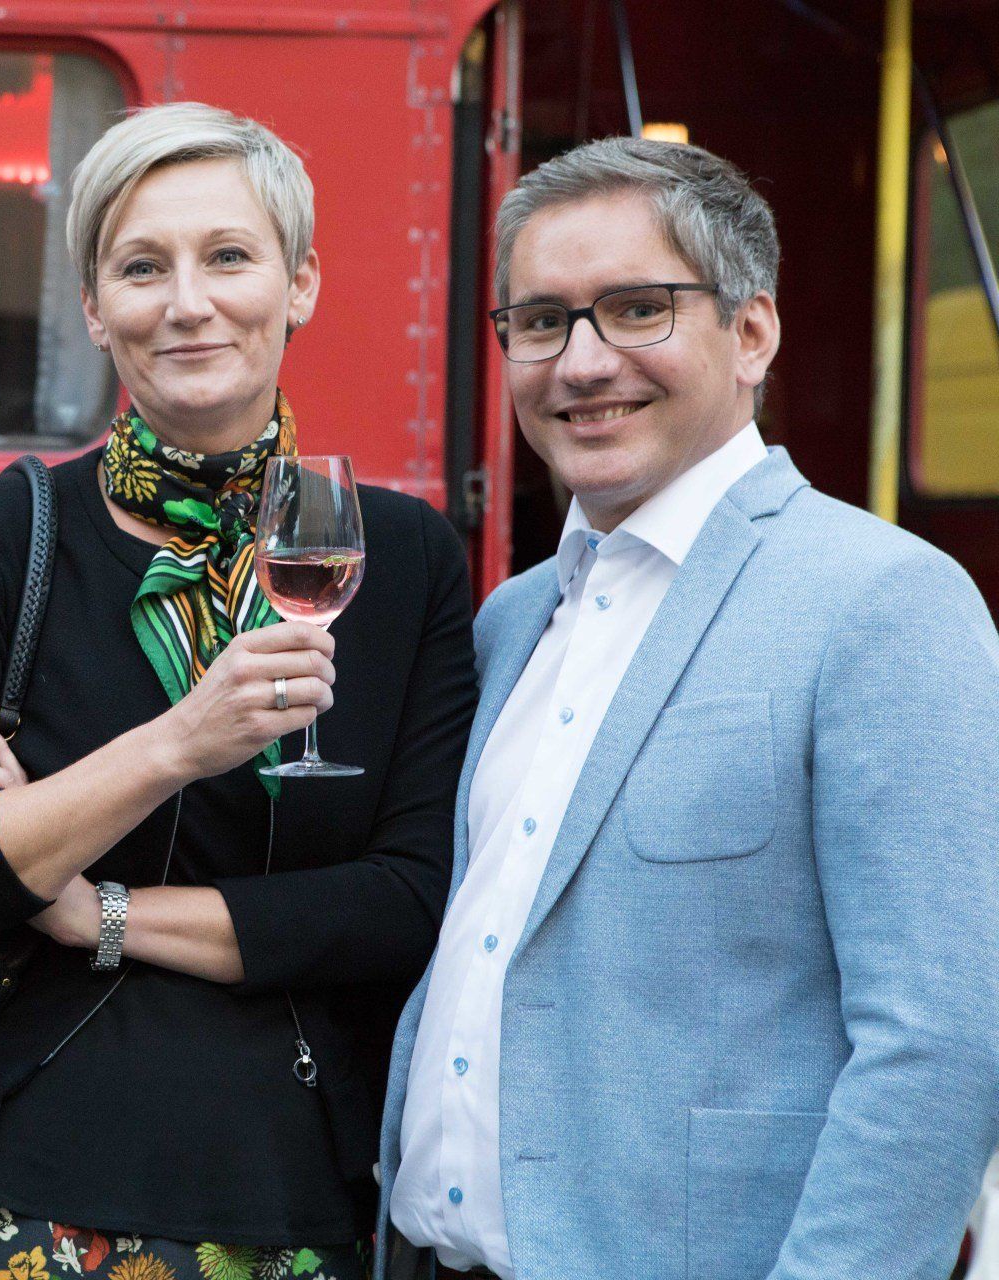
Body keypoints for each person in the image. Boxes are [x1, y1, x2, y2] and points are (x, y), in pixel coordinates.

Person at [0, 102, 478, 1280]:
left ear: (301, 285)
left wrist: (94, 909)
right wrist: (177, 742)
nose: (186, 302)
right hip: (27, 1191)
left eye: (228, 256)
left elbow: (407, 898)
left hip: (300, 1192)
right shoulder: (3, 533)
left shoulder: (406, 557)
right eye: (142, 267)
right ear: (95, 307)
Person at [378, 137, 999, 1280]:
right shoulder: (511, 620)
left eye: (636, 308)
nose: (581, 360)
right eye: (542, 320)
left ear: (752, 331)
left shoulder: (886, 601)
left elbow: (941, 1045)